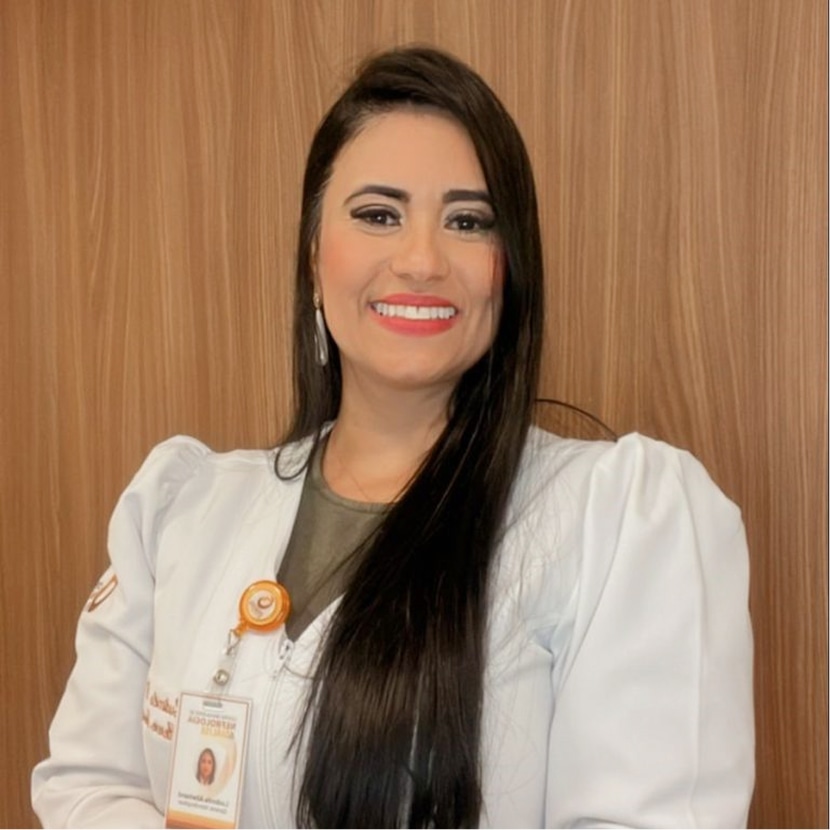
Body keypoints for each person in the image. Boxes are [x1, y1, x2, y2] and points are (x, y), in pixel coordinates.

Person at [31, 46, 754, 828]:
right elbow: (87, 788)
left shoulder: (619, 524)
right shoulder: (179, 511)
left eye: (468, 221)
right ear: (315, 257)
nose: (420, 260)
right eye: (378, 214)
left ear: (509, 269)